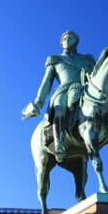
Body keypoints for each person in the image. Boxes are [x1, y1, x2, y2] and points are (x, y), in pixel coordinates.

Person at [22, 30, 96, 161]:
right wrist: (38, 102)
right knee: (60, 109)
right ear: (61, 43)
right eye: (64, 38)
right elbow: (46, 83)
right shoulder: (55, 59)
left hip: (86, 90)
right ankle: (59, 143)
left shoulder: (87, 60)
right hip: (64, 90)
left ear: (76, 41)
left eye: (70, 37)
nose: (67, 39)